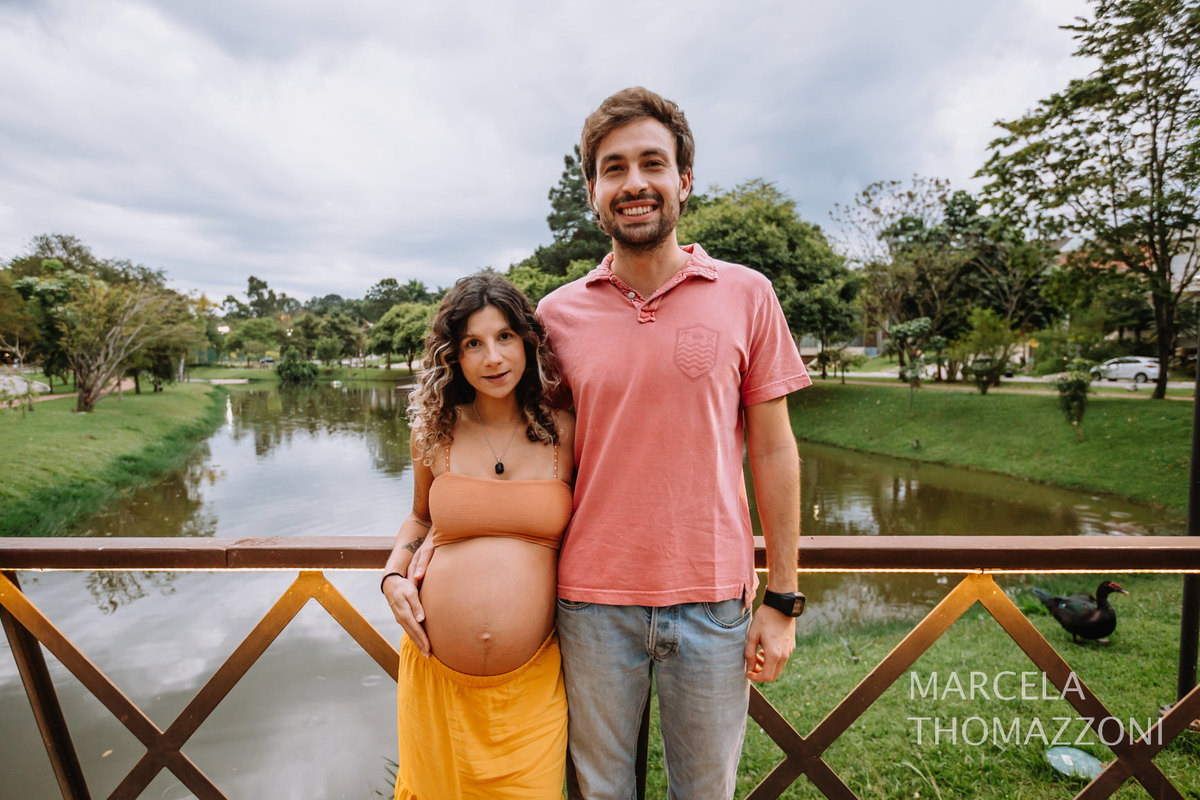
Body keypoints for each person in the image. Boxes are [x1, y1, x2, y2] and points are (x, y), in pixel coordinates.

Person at [537, 87, 811, 799]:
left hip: (715, 601)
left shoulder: (748, 294)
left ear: (684, 181)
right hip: (590, 602)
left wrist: (783, 597)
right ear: (592, 192)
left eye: (652, 163)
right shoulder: (555, 316)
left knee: (706, 792)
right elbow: (537, 461)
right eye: (614, 168)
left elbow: (774, 450)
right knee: (600, 792)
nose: (634, 183)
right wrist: (429, 541)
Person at [380, 273, 575, 799]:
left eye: (505, 336)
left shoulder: (567, 431)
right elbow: (419, 518)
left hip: (532, 686)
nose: (493, 358)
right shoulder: (434, 430)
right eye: (473, 343)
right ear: (454, 355)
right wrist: (393, 576)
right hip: (435, 680)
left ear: (528, 342)